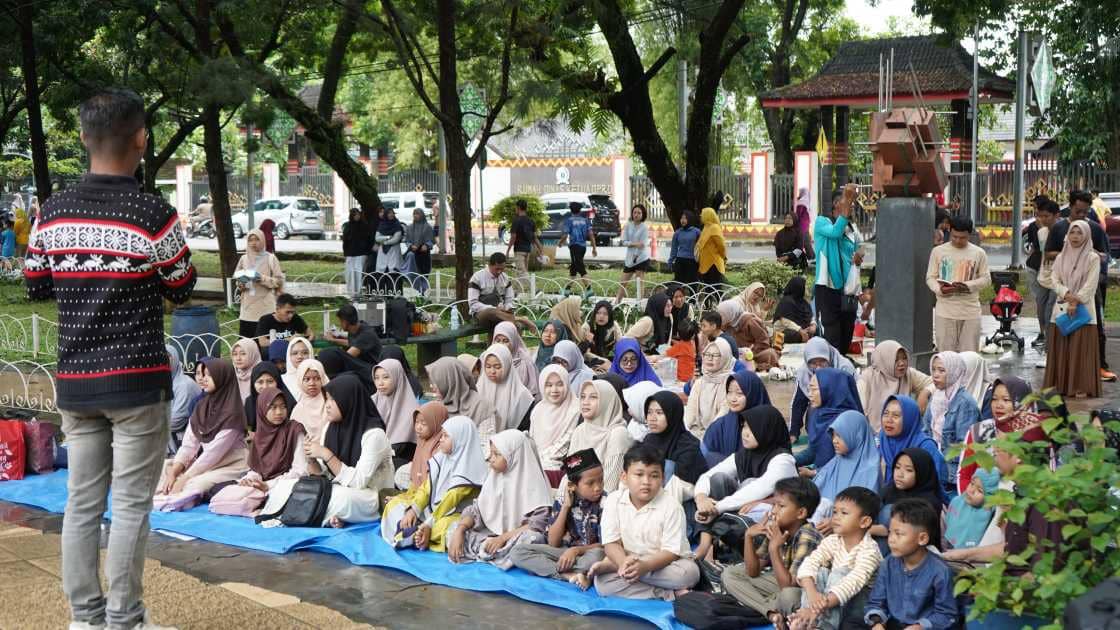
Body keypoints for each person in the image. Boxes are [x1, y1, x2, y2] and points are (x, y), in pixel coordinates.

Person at [589, 444, 700, 600]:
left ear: (662, 479)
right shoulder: (614, 500)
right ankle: (668, 593)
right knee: (602, 584)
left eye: (654, 475)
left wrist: (643, 567)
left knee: (689, 574)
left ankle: (617, 569)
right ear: (624, 477)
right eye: (639, 474)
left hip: (664, 565)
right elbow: (611, 543)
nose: (646, 481)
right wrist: (623, 562)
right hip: (628, 559)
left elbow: (670, 552)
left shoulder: (671, 506)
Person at [693, 405, 798, 561]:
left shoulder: (783, 460)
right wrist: (701, 498)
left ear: (766, 430)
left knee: (738, 508)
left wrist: (716, 508)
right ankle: (706, 544)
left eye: (752, 428)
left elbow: (758, 489)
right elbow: (707, 476)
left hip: (768, 518)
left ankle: (718, 550)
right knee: (718, 479)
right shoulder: (743, 455)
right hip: (741, 511)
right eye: (744, 427)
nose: (745, 433)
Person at [721, 478, 823, 626]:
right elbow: (753, 572)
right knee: (730, 574)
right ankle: (773, 614)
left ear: (800, 513)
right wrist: (748, 536)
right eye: (774, 504)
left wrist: (773, 548)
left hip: (804, 593)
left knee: (788, 596)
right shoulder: (779, 528)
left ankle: (762, 604)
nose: (774, 511)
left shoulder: (808, 536)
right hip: (780, 585)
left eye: (781, 506)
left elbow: (789, 586)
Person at [447, 430, 553, 568]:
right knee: (453, 529)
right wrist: (460, 530)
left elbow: (537, 525)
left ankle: (488, 552)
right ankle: (499, 556)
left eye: (497, 454)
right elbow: (476, 511)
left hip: (513, 538)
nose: (491, 459)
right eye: (491, 453)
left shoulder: (533, 482)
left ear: (514, 456)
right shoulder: (493, 477)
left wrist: (502, 538)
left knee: (533, 539)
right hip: (490, 535)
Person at [302, 373, 395, 527]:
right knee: (300, 487)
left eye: (333, 399)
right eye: (327, 398)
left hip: (373, 497)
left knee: (340, 498)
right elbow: (326, 475)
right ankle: (334, 517)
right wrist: (311, 459)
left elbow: (359, 482)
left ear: (349, 400)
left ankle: (326, 515)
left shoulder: (374, 435)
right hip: (340, 490)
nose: (328, 404)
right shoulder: (330, 427)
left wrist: (326, 454)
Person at [381, 415, 486, 551]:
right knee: (394, 506)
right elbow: (426, 488)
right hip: (432, 510)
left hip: (454, 514)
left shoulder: (470, 466)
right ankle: (418, 533)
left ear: (460, 439)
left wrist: (429, 523)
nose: (440, 440)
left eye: (446, 436)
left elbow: (450, 500)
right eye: (441, 436)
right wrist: (414, 510)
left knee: (447, 528)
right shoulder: (442, 457)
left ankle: (417, 534)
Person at [156, 359, 249, 512]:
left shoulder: (233, 413)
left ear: (221, 378)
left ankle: (172, 499)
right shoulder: (202, 405)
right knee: (165, 468)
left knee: (195, 483)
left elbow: (213, 454)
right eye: (200, 374)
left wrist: (185, 477)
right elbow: (189, 444)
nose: (202, 379)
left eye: (209, 375)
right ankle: (170, 494)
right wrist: (174, 473)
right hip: (204, 463)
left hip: (230, 465)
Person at [787, 487, 883, 630]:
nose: (836, 517)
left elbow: (852, 583)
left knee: (840, 573)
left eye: (844, 513)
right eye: (835, 512)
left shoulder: (870, 550)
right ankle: (807, 622)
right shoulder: (833, 540)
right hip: (831, 601)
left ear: (864, 522)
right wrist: (812, 595)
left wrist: (816, 608)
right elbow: (809, 564)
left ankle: (822, 626)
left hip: (861, 604)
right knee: (819, 573)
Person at [510, 448, 606, 589]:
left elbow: (606, 545)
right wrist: (566, 506)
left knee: (598, 555)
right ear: (572, 486)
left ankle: (558, 571)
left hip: (589, 554)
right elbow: (553, 542)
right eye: (590, 483)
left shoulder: (607, 502)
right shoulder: (565, 501)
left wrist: (576, 551)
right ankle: (570, 576)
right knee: (517, 552)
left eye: (601, 480)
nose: (598, 487)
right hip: (564, 554)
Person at [1044, 190, 1114, 382]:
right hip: (1063, 291)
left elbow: (1105, 255)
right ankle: (1059, 369)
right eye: (1078, 211)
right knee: (1059, 326)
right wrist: (1069, 253)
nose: (1082, 215)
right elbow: (1048, 255)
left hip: (1091, 288)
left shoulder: (1094, 229)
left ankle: (1100, 365)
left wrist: (1090, 254)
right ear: (1071, 206)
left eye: (1085, 211)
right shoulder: (1059, 229)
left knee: (1095, 326)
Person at [863, 499, 959, 630]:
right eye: (890, 532)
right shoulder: (887, 564)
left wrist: (920, 626)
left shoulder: (940, 571)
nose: (891, 539)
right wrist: (877, 621)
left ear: (922, 538)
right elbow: (875, 602)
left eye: (899, 534)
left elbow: (947, 615)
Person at [212, 387, 308, 514]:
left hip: (286, 485)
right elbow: (257, 469)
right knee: (215, 489)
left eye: (283, 406)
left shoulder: (294, 430)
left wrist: (268, 485)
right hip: (263, 485)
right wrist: (251, 480)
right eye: (272, 407)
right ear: (262, 409)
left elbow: (300, 471)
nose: (279, 412)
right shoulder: (261, 434)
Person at [1042, 219, 1103, 397]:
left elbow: (1091, 286)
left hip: (1083, 311)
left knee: (1080, 350)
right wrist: (1067, 295)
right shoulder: (1061, 257)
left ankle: (1080, 387)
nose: (1075, 237)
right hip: (1062, 308)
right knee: (1061, 348)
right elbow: (1054, 280)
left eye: (1079, 233)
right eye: (1072, 232)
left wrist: (1076, 301)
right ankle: (1060, 385)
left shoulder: (1093, 258)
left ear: (1086, 235)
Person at [925, 215, 991, 353]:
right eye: (954, 236)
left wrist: (968, 285)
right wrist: (940, 289)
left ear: (969, 234)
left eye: (962, 238)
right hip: (945, 311)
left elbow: (986, 279)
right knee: (945, 355)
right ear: (950, 231)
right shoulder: (938, 251)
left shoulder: (979, 253)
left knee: (969, 355)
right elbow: (930, 278)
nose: (958, 240)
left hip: (970, 312)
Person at [922, 351, 981, 492]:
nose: (935, 375)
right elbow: (926, 431)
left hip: (952, 476)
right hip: (934, 465)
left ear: (954, 372)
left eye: (942, 370)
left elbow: (964, 446)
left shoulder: (965, 403)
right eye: (934, 369)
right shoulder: (936, 397)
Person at [809, 410, 880, 526]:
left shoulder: (870, 470)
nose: (834, 441)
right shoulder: (836, 462)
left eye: (840, 436)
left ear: (856, 435)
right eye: (833, 435)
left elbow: (865, 511)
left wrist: (834, 522)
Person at [812, 186, 859, 354]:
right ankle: (831, 365)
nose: (851, 206)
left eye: (852, 203)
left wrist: (858, 258)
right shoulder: (821, 222)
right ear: (835, 204)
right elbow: (835, 232)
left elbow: (855, 253)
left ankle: (843, 362)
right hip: (827, 286)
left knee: (847, 330)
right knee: (832, 332)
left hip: (847, 289)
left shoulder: (852, 229)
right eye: (847, 202)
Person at [642, 390, 708, 503]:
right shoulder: (649, 440)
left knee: (667, 466)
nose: (652, 418)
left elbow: (683, 483)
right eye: (649, 412)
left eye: (659, 413)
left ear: (673, 414)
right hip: (650, 494)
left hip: (681, 499)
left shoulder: (688, 445)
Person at [871, 450, 948, 546]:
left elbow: (903, 531)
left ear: (921, 473)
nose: (900, 474)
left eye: (909, 470)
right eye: (897, 467)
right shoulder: (889, 490)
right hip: (883, 547)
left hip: (912, 552)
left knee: (889, 510)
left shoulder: (929, 503)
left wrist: (866, 529)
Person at [569, 380, 634, 493]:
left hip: (604, 503)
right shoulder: (580, 430)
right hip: (577, 497)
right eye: (583, 397)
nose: (585, 402)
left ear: (607, 402)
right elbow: (570, 472)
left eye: (593, 397)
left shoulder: (618, 434)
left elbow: (610, 486)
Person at [790, 338, 856, 448]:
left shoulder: (844, 368)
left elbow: (850, 401)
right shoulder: (804, 372)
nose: (818, 368)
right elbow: (798, 403)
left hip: (842, 410)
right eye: (813, 363)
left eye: (822, 362)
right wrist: (793, 432)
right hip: (821, 409)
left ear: (829, 358)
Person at [857, 341, 932, 432]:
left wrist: (925, 392)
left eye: (904, 358)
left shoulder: (908, 374)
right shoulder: (867, 378)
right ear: (884, 360)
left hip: (903, 431)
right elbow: (859, 414)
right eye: (896, 360)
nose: (902, 363)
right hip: (873, 435)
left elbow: (935, 382)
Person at [701, 371, 772, 467]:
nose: (733, 399)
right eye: (729, 392)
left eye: (739, 393)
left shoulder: (769, 426)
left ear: (753, 394)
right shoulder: (720, 425)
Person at [426, 356, 497, 449]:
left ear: (450, 381)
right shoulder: (438, 405)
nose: (432, 386)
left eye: (437, 382)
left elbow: (485, 447)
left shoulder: (481, 407)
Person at [529, 365, 584, 487]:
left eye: (560, 384)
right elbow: (532, 440)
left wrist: (540, 460)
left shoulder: (575, 409)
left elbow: (566, 443)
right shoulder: (538, 409)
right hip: (539, 460)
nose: (554, 390)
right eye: (548, 385)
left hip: (561, 465)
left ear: (567, 384)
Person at [878, 396, 947, 490]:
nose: (889, 420)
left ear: (909, 418)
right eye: (885, 414)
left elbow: (936, 482)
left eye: (896, 415)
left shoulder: (925, 446)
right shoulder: (881, 440)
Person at [801, 368, 863, 470]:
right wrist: (790, 459)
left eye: (814, 389)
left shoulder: (849, 421)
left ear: (830, 389)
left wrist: (814, 473)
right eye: (809, 389)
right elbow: (813, 451)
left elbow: (849, 464)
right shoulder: (818, 413)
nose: (810, 394)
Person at [235, 228, 285, 339]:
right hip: (247, 309)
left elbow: (279, 281)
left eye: (257, 239)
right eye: (250, 240)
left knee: (265, 342)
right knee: (246, 342)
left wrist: (261, 278)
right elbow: (238, 277)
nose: (253, 243)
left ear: (262, 240)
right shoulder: (244, 259)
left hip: (265, 307)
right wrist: (240, 284)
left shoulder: (270, 258)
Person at [1023, 196, 1059, 351]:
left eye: (1045, 215)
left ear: (1055, 215)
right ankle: (1044, 334)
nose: (1041, 218)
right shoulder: (1038, 230)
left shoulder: (1063, 229)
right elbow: (1037, 249)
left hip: (1058, 275)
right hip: (1041, 272)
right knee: (1041, 303)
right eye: (1039, 214)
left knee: (1052, 306)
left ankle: (1051, 342)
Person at [467, 252, 534, 332]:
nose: (499, 272)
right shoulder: (477, 277)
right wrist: (495, 309)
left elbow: (509, 300)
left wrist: (508, 307)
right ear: (489, 265)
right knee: (491, 312)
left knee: (516, 326)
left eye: (502, 269)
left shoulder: (505, 278)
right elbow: (473, 304)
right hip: (480, 315)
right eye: (497, 269)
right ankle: (520, 319)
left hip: (501, 315)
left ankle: (509, 342)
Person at [684, 337, 734, 439]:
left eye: (716, 355)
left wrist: (708, 437)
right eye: (707, 354)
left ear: (725, 357)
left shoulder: (731, 383)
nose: (710, 358)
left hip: (719, 434)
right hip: (699, 430)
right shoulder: (699, 383)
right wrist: (684, 431)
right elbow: (690, 412)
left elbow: (723, 415)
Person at [373, 358, 419, 466]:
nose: (380, 383)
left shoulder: (410, 409)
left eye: (386, 377)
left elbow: (399, 448)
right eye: (376, 378)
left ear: (397, 377)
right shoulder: (373, 401)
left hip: (398, 463)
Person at [477, 344, 534, 433]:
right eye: (488, 366)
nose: (492, 371)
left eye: (497, 367)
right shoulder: (479, 389)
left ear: (507, 365)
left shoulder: (522, 396)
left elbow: (524, 430)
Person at [716, 298, 780, 372]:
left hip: (755, 354)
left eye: (723, 315)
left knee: (770, 354)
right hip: (737, 354)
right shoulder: (728, 323)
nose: (721, 318)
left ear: (731, 313)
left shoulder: (751, 321)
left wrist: (750, 352)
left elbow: (764, 341)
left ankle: (756, 366)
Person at [945, 467, 1000, 550]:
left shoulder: (992, 515)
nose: (971, 491)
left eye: (980, 491)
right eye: (972, 483)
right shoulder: (957, 502)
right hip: (948, 548)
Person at [401, 401, 448, 490]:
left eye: (424, 424)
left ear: (436, 423)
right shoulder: (422, 440)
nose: (418, 427)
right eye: (417, 422)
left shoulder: (441, 447)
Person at [167, 345, 202, 457]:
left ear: (175, 359)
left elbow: (176, 422)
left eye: (167, 357)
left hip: (183, 439)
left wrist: (152, 423)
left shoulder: (184, 385)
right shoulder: (163, 382)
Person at [243, 362, 296, 433]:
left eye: (270, 381)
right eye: (260, 382)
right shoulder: (250, 403)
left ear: (278, 382)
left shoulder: (288, 402)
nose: (265, 386)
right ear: (253, 384)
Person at [557, 200, 597, 291]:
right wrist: (594, 248)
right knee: (574, 267)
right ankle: (567, 289)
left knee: (579, 265)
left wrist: (560, 243)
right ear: (580, 210)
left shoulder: (569, 221)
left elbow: (565, 235)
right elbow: (591, 234)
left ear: (571, 210)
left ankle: (589, 289)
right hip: (583, 247)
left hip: (574, 246)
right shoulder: (585, 221)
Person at [492, 321, 539, 398]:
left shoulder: (523, 362)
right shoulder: (488, 359)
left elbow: (528, 392)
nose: (501, 345)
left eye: (505, 341)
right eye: (497, 340)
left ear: (513, 340)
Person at [615, 204, 651, 304]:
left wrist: (635, 252)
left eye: (639, 213)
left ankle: (639, 305)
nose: (636, 215)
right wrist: (634, 244)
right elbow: (623, 241)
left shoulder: (644, 227)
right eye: (635, 212)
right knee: (623, 282)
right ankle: (617, 303)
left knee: (639, 283)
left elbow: (642, 245)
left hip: (641, 258)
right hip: (629, 259)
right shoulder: (627, 225)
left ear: (643, 214)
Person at [291, 359, 331, 441]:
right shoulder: (298, 410)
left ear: (323, 379)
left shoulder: (330, 403)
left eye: (317, 378)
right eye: (307, 379)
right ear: (300, 381)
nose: (312, 383)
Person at [696, 207, 727, 302]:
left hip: (714, 264)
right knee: (707, 288)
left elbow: (721, 245)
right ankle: (707, 306)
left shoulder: (714, 228)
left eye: (703, 214)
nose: (701, 216)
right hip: (705, 264)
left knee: (716, 288)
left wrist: (723, 257)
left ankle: (720, 305)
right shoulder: (706, 227)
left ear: (708, 215)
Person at [773, 276, 816, 344]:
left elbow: (810, 315)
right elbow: (785, 321)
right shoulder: (786, 301)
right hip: (783, 331)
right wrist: (800, 330)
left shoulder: (803, 302)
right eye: (804, 286)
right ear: (798, 287)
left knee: (813, 332)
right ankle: (776, 342)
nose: (806, 288)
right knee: (794, 335)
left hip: (801, 331)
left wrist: (813, 325)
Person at [373, 207, 405, 294]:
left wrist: (384, 243)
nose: (391, 215)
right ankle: (384, 295)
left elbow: (396, 238)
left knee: (394, 273)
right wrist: (387, 237)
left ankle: (396, 295)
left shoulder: (397, 225)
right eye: (389, 213)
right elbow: (377, 238)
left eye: (392, 213)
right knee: (382, 273)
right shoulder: (382, 225)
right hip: (382, 253)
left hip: (394, 251)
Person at [404, 207, 434, 294]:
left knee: (423, 274)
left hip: (424, 255)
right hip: (414, 254)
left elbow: (432, 240)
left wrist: (427, 245)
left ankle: (424, 293)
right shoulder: (409, 227)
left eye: (417, 214)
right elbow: (407, 240)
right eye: (414, 214)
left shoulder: (427, 227)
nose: (415, 216)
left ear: (422, 215)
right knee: (415, 273)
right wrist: (410, 246)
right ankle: (417, 293)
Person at [342, 207, 372, 295]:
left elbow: (368, 239)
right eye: (355, 215)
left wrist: (366, 252)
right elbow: (345, 240)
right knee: (350, 273)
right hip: (350, 254)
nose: (357, 217)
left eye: (358, 215)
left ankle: (358, 292)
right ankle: (351, 292)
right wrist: (346, 252)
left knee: (359, 272)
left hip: (361, 253)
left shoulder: (364, 225)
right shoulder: (348, 226)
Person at [669, 210, 702, 284]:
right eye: (681, 218)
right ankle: (679, 295)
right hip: (680, 261)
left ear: (690, 219)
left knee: (693, 283)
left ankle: (693, 295)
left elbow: (701, 247)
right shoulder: (677, 232)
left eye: (685, 218)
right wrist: (670, 261)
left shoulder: (697, 232)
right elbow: (674, 248)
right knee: (679, 283)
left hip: (692, 262)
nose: (682, 220)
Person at [665, 318, 698, 384]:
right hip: (691, 377)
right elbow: (683, 348)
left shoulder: (679, 347)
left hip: (681, 380)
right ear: (693, 336)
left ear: (678, 334)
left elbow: (665, 355)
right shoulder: (692, 344)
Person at [230, 336, 262, 401]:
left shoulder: (262, 375)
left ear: (253, 354)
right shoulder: (231, 376)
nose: (238, 358)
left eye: (243, 354)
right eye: (235, 354)